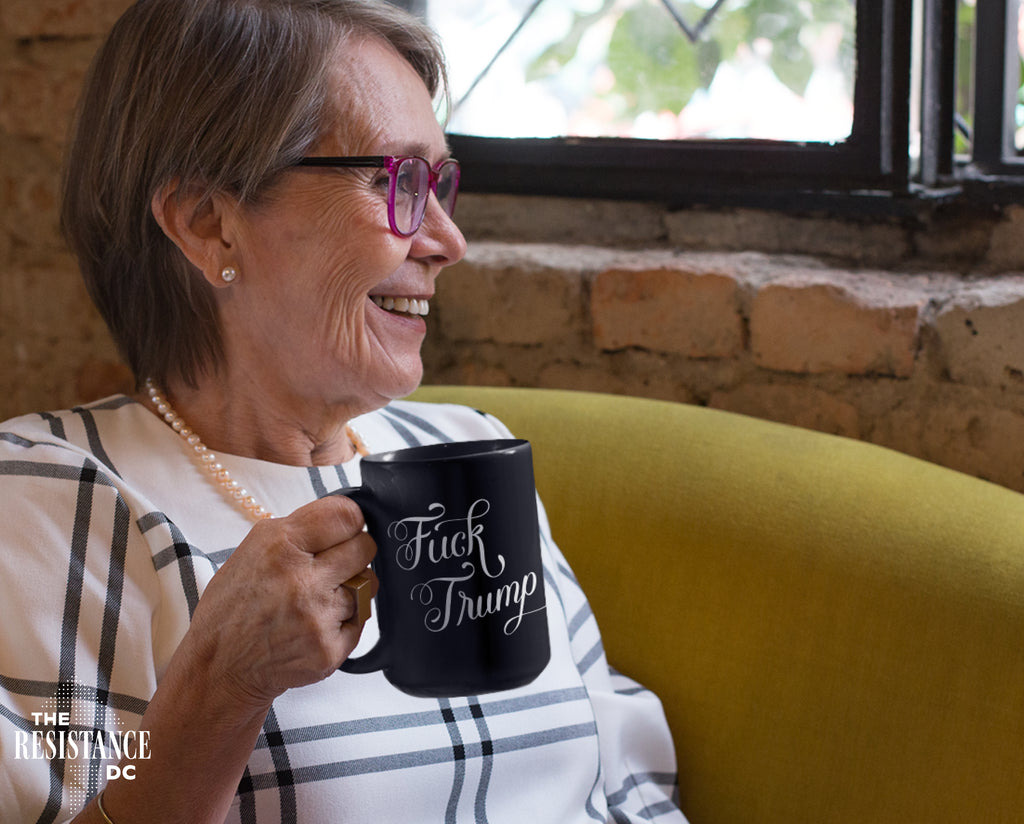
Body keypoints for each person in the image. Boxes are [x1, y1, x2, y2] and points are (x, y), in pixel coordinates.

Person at [0, 1, 687, 822]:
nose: (447, 240)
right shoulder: (43, 505)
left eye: (439, 184)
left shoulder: (468, 450)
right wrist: (221, 686)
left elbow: (626, 790)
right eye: (394, 181)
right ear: (208, 224)